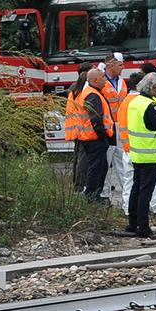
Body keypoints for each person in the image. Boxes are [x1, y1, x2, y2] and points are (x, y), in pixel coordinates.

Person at [124, 73, 156, 238]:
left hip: (137, 153)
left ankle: (132, 223)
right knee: (146, 191)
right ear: (151, 88)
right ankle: (143, 227)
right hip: (150, 154)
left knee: (135, 189)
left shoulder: (134, 102)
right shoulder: (151, 105)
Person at [77, 67, 114, 203]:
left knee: (100, 166)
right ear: (95, 80)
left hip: (91, 137)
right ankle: (92, 197)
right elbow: (96, 118)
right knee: (96, 168)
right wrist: (102, 136)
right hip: (94, 138)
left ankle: (93, 196)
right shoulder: (92, 95)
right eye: (103, 77)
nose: (105, 79)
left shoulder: (91, 92)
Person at [98, 53, 128, 202]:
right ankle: (104, 195)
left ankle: (128, 196)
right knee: (105, 163)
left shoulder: (122, 82)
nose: (123, 68)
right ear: (110, 65)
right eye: (120, 65)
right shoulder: (100, 81)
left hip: (121, 127)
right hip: (107, 128)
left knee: (123, 162)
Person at [65, 61, 94, 190]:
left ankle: (77, 184)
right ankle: (80, 185)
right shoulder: (83, 90)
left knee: (78, 158)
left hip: (75, 129)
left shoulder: (74, 88)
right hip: (82, 129)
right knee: (83, 159)